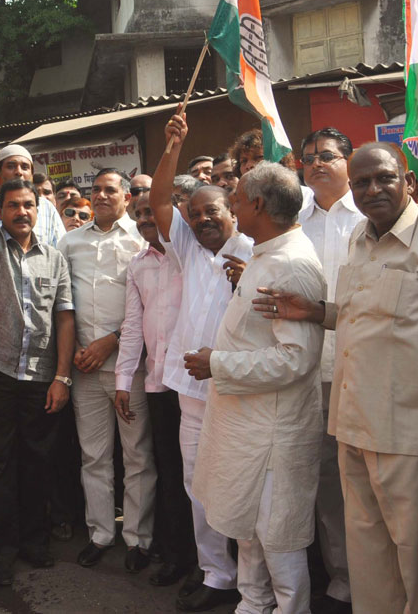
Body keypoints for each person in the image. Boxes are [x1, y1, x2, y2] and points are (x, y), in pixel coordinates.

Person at [258, 143, 418, 614]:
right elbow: (369, 316)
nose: (372, 189)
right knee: (369, 564)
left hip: (412, 437)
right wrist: (317, 312)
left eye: (384, 178)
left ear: (408, 182)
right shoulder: (360, 237)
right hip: (352, 426)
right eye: (362, 182)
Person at [185, 161, 325, 614]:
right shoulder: (266, 254)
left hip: (273, 433)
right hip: (247, 428)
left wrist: (218, 363)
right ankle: (252, 603)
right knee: (247, 528)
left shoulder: (291, 264)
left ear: (259, 205)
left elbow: (296, 360)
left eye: (238, 200)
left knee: (277, 538)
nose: (233, 207)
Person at [151, 114, 248, 612]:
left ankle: (257, 585)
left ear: (234, 212)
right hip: (192, 394)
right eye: (197, 213)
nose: (204, 218)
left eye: (213, 210)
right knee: (198, 487)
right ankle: (217, 574)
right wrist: (172, 147)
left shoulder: (255, 251)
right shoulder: (186, 247)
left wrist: (249, 279)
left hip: (241, 393)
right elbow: (160, 199)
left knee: (244, 487)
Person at [0, 177, 75, 587]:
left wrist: (62, 376)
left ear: (38, 209)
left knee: (38, 462)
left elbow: (64, 317)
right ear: (0, 211)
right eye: (12, 205)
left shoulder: (55, 258)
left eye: (28, 204)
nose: (22, 212)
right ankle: (1, 554)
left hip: (41, 374)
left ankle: (34, 542)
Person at [58, 169, 155, 572]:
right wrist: (78, 351)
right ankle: (101, 533)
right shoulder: (69, 242)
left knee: (137, 456)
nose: (100, 196)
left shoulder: (140, 241)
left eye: (109, 190)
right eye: (94, 190)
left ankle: (138, 539)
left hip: (128, 368)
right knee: (93, 456)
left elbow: (151, 305)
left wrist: (110, 342)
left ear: (126, 197)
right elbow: (62, 302)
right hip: (83, 368)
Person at [114, 190, 197, 587]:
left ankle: (210, 563)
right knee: (169, 471)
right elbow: (132, 326)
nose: (147, 218)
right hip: (158, 384)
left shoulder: (191, 253)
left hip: (197, 383)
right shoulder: (137, 265)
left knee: (202, 475)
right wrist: (123, 380)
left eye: (153, 211)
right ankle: (177, 554)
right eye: (140, 213)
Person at [295, 127, 361, 614]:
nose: (318, 164)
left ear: (350, 161)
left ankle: (382, 581)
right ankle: (342, 581)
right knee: (326, 483)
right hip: (310, 370)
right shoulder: (293, 222)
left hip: (365, 368)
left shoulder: (373, 214)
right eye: (310, 157)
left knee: (371, 479)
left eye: (329, 156)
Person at [0, 145, 66, 246]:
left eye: (25, 167)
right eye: (11, 166)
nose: (19, 172)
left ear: (31, 177)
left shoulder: (46, 207)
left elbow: (61, 249)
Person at [229, 128, 297, 176]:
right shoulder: (236, 196)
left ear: (279, 161)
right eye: (244, 161)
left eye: (258, 157)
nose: (249, 165)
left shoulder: (303, 195)